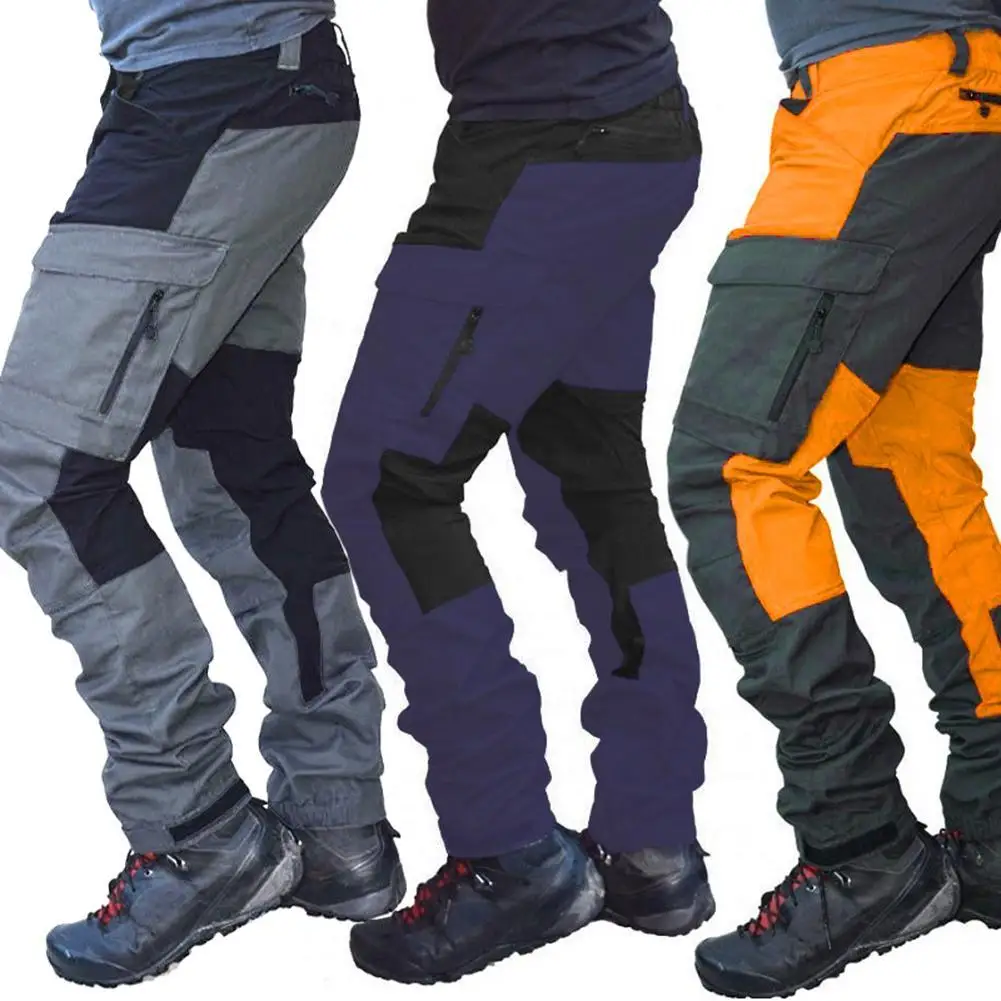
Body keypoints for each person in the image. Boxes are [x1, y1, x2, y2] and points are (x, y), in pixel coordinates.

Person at [0, 2, 403, 987]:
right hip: (244, 90)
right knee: (231, 464)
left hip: (221, 90)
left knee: (42, 465)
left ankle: (200, 830)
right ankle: (337, 820)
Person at [322, 0, 712, 984]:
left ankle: (508, 851)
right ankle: (651, 840)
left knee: (388, 480)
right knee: (592, 484)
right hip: (624, 127)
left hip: (546, 140)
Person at [667, 2, 1001, 996]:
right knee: (908, 467)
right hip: (942, 97)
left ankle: (861, 845)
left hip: (889, 97)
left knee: (730, 464)